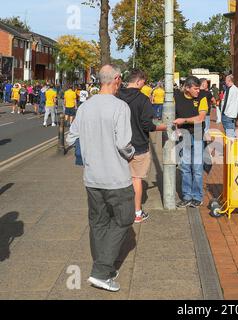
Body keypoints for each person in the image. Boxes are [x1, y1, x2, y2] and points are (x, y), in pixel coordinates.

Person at [66, 64, 135, 292]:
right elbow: (123, 144)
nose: (120, 84)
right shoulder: (120, 107)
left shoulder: (85, 106)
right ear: (116, 79)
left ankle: (102, 267)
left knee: (98, 222)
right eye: (120, 81)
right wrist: (132, 153)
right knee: (124, 219)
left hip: (92, 177)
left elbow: (70, 137)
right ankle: (101, 272)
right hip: (116, 177)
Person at [118, 69, 167, 223]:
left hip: (119, 144)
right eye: (144, 81)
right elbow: (147, 125)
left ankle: (120, 210)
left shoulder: (117, 96)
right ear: (138, 81)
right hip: (138, 144)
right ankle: (137, 212)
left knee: (120, 179)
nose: (144, 84)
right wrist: (163, 127)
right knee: (136, 179)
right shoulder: (143, 99)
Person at [173, 76, 208, 208]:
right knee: (185, 167)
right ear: (187, 88)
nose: (198, 91)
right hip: (185, 136)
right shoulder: (177, 97)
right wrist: (177, 129)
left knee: (197, 168)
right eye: (195, 89)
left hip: (198, 133)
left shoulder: (203, 96)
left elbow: (201, 118)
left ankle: (197, 197)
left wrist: (184, 120)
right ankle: (187, 196)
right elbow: (174, 115)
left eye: (199, 88)